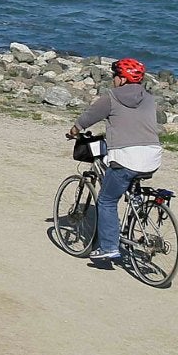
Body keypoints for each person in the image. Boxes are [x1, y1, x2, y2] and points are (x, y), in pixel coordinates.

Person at [68, 59, 162, 269]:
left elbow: (88, 118)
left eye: (114, 76)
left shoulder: (110, 98)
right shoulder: (148, 98)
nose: (113, 80)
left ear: (121, 79)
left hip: (127, 157)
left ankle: (109, 247)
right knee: (128, 182)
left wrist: (73, 131)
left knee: (107, 200)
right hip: (153, 156)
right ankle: (134, 216)